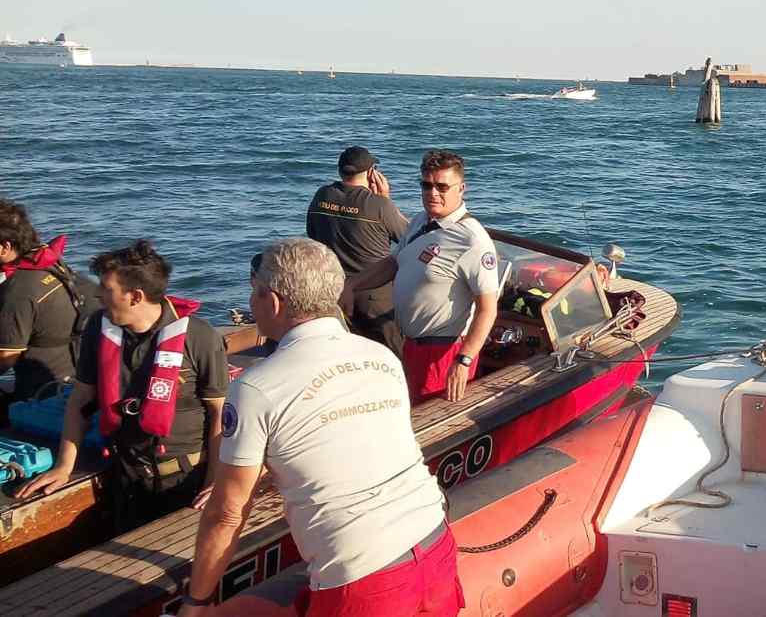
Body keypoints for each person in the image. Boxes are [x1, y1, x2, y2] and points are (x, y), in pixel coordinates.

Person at [178, 238, 460, 617]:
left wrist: (196, 601)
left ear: (273, 301)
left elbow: (227, 513)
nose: (250, 302)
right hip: (435, 541)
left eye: (254, 291)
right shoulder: (382, 357)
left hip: (363, 578)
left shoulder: (255, 388)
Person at [17, 240, 228, 530]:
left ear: (135, 296)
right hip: (126, 476)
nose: (98, 295)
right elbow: (81, 400)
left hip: (186, 480)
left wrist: (216, 481)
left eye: (107, 288)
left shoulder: (199, 337)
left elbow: (220, 413)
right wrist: (64, 466)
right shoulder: (97, 328)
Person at [341, 150, 499, 404]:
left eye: (442, 187)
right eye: (426, 185)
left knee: (434, 418)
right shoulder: (420, 222)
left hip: (442, 355)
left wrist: (464, 359)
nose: (432, 193)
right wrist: (352, 285)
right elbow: (393, 263)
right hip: (411, 346)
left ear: (461, 189)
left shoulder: (472, 241)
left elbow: (487, 309)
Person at [0, 199, 98, 419]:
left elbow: (6, 356)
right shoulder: (51, 264)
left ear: (5, 247)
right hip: (75, 378)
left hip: (44, 395)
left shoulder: (19, 290)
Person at [306, 146, 409, 353]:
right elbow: (410, 238)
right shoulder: (379, 205)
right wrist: (385, 199)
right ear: (371, 173)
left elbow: (312, 233)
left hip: (334, 290)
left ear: (340, 170)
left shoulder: (322, 195)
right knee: (394, 355)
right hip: (374, 295)